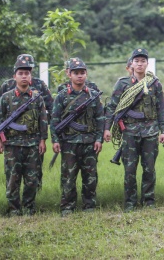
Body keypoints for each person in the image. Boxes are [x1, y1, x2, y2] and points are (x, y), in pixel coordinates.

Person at [103, 48, 164, 211]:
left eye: (143, 61)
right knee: (130, 169)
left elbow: (161, 108)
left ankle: (149, 201)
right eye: (136, 61)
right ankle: (130, 202)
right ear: (131, 63)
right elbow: (112, 107)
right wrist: (107, 128)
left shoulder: (154, 83)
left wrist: (163, 130)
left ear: (147, 63)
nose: (140, 64)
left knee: (149, 168)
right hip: (129, 131)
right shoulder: (123, 83)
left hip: (151, 131)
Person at [0, 56, 48, 216]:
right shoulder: (6, 98)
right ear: (14, 77)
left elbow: (43, 120)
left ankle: (29, 208)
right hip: (12, 145)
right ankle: (14, 210)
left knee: (32, 179)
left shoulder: (37, 97)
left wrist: (43, 140)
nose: (24, 76)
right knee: (12, 179)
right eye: (21, 73)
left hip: (32, 144)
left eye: (27, 73)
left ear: (31, 77)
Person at [50, 58, 104, 216]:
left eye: (82, 73)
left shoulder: (93, 96)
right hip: (69, 143)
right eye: (76, 73)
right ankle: (67, 206)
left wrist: (99, 139)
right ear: (69, 74)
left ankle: (89, 205)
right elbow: (54, 120)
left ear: (86, 74)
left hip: (89, 142)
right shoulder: (62, 97)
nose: (80, 76)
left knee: (90, 176)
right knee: (68, 176)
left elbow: (100, 119)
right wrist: (55, 140)